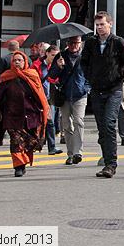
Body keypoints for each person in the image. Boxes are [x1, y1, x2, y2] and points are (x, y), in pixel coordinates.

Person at [81, 12, 124, 179]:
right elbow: (84, 62)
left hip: (114, 89)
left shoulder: (117, 42)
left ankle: (111, 164)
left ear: (110, 24)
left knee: (109, 123)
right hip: (97, 90)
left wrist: (120, 73)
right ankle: (106, 160)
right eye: (97, 25)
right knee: (102, 128)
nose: (99, 27)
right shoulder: (91, 42)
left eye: (102, 24)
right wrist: (89, 77)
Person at [0, 51, 50, 177]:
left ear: (25, 62)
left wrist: (45, 112)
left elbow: (40, 95)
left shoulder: (32, 76)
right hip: (12, 115)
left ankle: (23, 163)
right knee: (15, 141)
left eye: (20, 60)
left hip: (31, 115)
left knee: (31, 142)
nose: (17, 62)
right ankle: (18, 167)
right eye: (15, 60)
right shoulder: (6, 77)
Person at [48, 36, 89, 166]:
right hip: (64, 95)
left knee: (78, 122)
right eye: (71, 43)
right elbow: (51, 75)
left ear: (80, 43)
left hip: (80, 95)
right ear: (67, 43)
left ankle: (78, 152)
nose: (73, 45)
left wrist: (87, 88)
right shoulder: (61, 56)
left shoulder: (85, 56)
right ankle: (70, 154)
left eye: (76, 43)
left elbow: (90, 74)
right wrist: (58, 67)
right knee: (66, 125)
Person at [40, 44, 63, 156]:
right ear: (47, 53)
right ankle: (40, 143)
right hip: (40, 97)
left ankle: (52, 147)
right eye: (53, 55)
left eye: (56, 55)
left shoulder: (57, 66)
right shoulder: (38, 65)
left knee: (51, 122)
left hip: (51, 98)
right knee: (43, 122)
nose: (54, 57)